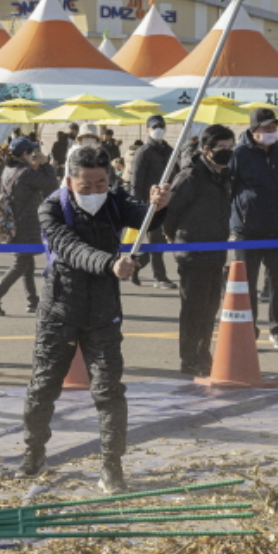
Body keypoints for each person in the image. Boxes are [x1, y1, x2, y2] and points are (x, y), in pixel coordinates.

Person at [18, 144, 172, 493]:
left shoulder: (116, 200)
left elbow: (146, 217)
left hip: (103, 312)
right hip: (59, 310)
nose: (93, 191)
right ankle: (33, 453)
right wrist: (110, 263)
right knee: (42, 387)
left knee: (108, 391)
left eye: (100, 183)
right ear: (70, 181)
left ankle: (111, 467)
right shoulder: (51, 208)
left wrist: (159, 205)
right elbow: (70, 249)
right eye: (85, 185)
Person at [163, 123, 234, 377]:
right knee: (194, 309)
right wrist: (172, 237)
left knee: (210, 307)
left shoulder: (224, 175)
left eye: (230, 147)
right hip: (192, 252)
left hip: (216, 251)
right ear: (206, 149)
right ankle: (189, 359)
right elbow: (170, 213)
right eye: (222, 148)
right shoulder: (191, 176)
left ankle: (204, 355)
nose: (227, 152)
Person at [229, 108, 278, 348]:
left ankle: (277, 330)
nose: (271, 132)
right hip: (248, 229)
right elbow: (230, 187)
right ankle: (249, 329)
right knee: (247, 284)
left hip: (276, 228)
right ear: (254, 129)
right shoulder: (239, 154)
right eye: (266, 128)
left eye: (274, 128)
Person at [0, 137, 56, 317]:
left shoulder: (8, 169)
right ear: (25, 154)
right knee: (22, 262)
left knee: (27, 262)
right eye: (32, 151)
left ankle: (33, 301)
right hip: (26, 223)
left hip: (13, 222)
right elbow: (52, 185)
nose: (35, 154)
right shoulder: (26, 173)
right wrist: (46, 164)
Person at [127, 115, 177, 289]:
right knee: (156, 240)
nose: (158, 129)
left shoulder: (170, 150)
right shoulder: (144, 151)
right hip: (149, 203)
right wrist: (137, 205)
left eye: (161, 126)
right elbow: (136, 180)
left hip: (167, 202)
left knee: (162, 242)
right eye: (154, 126)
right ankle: (160, 277)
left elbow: (176, 175)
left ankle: (137, 264)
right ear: (147, 129)